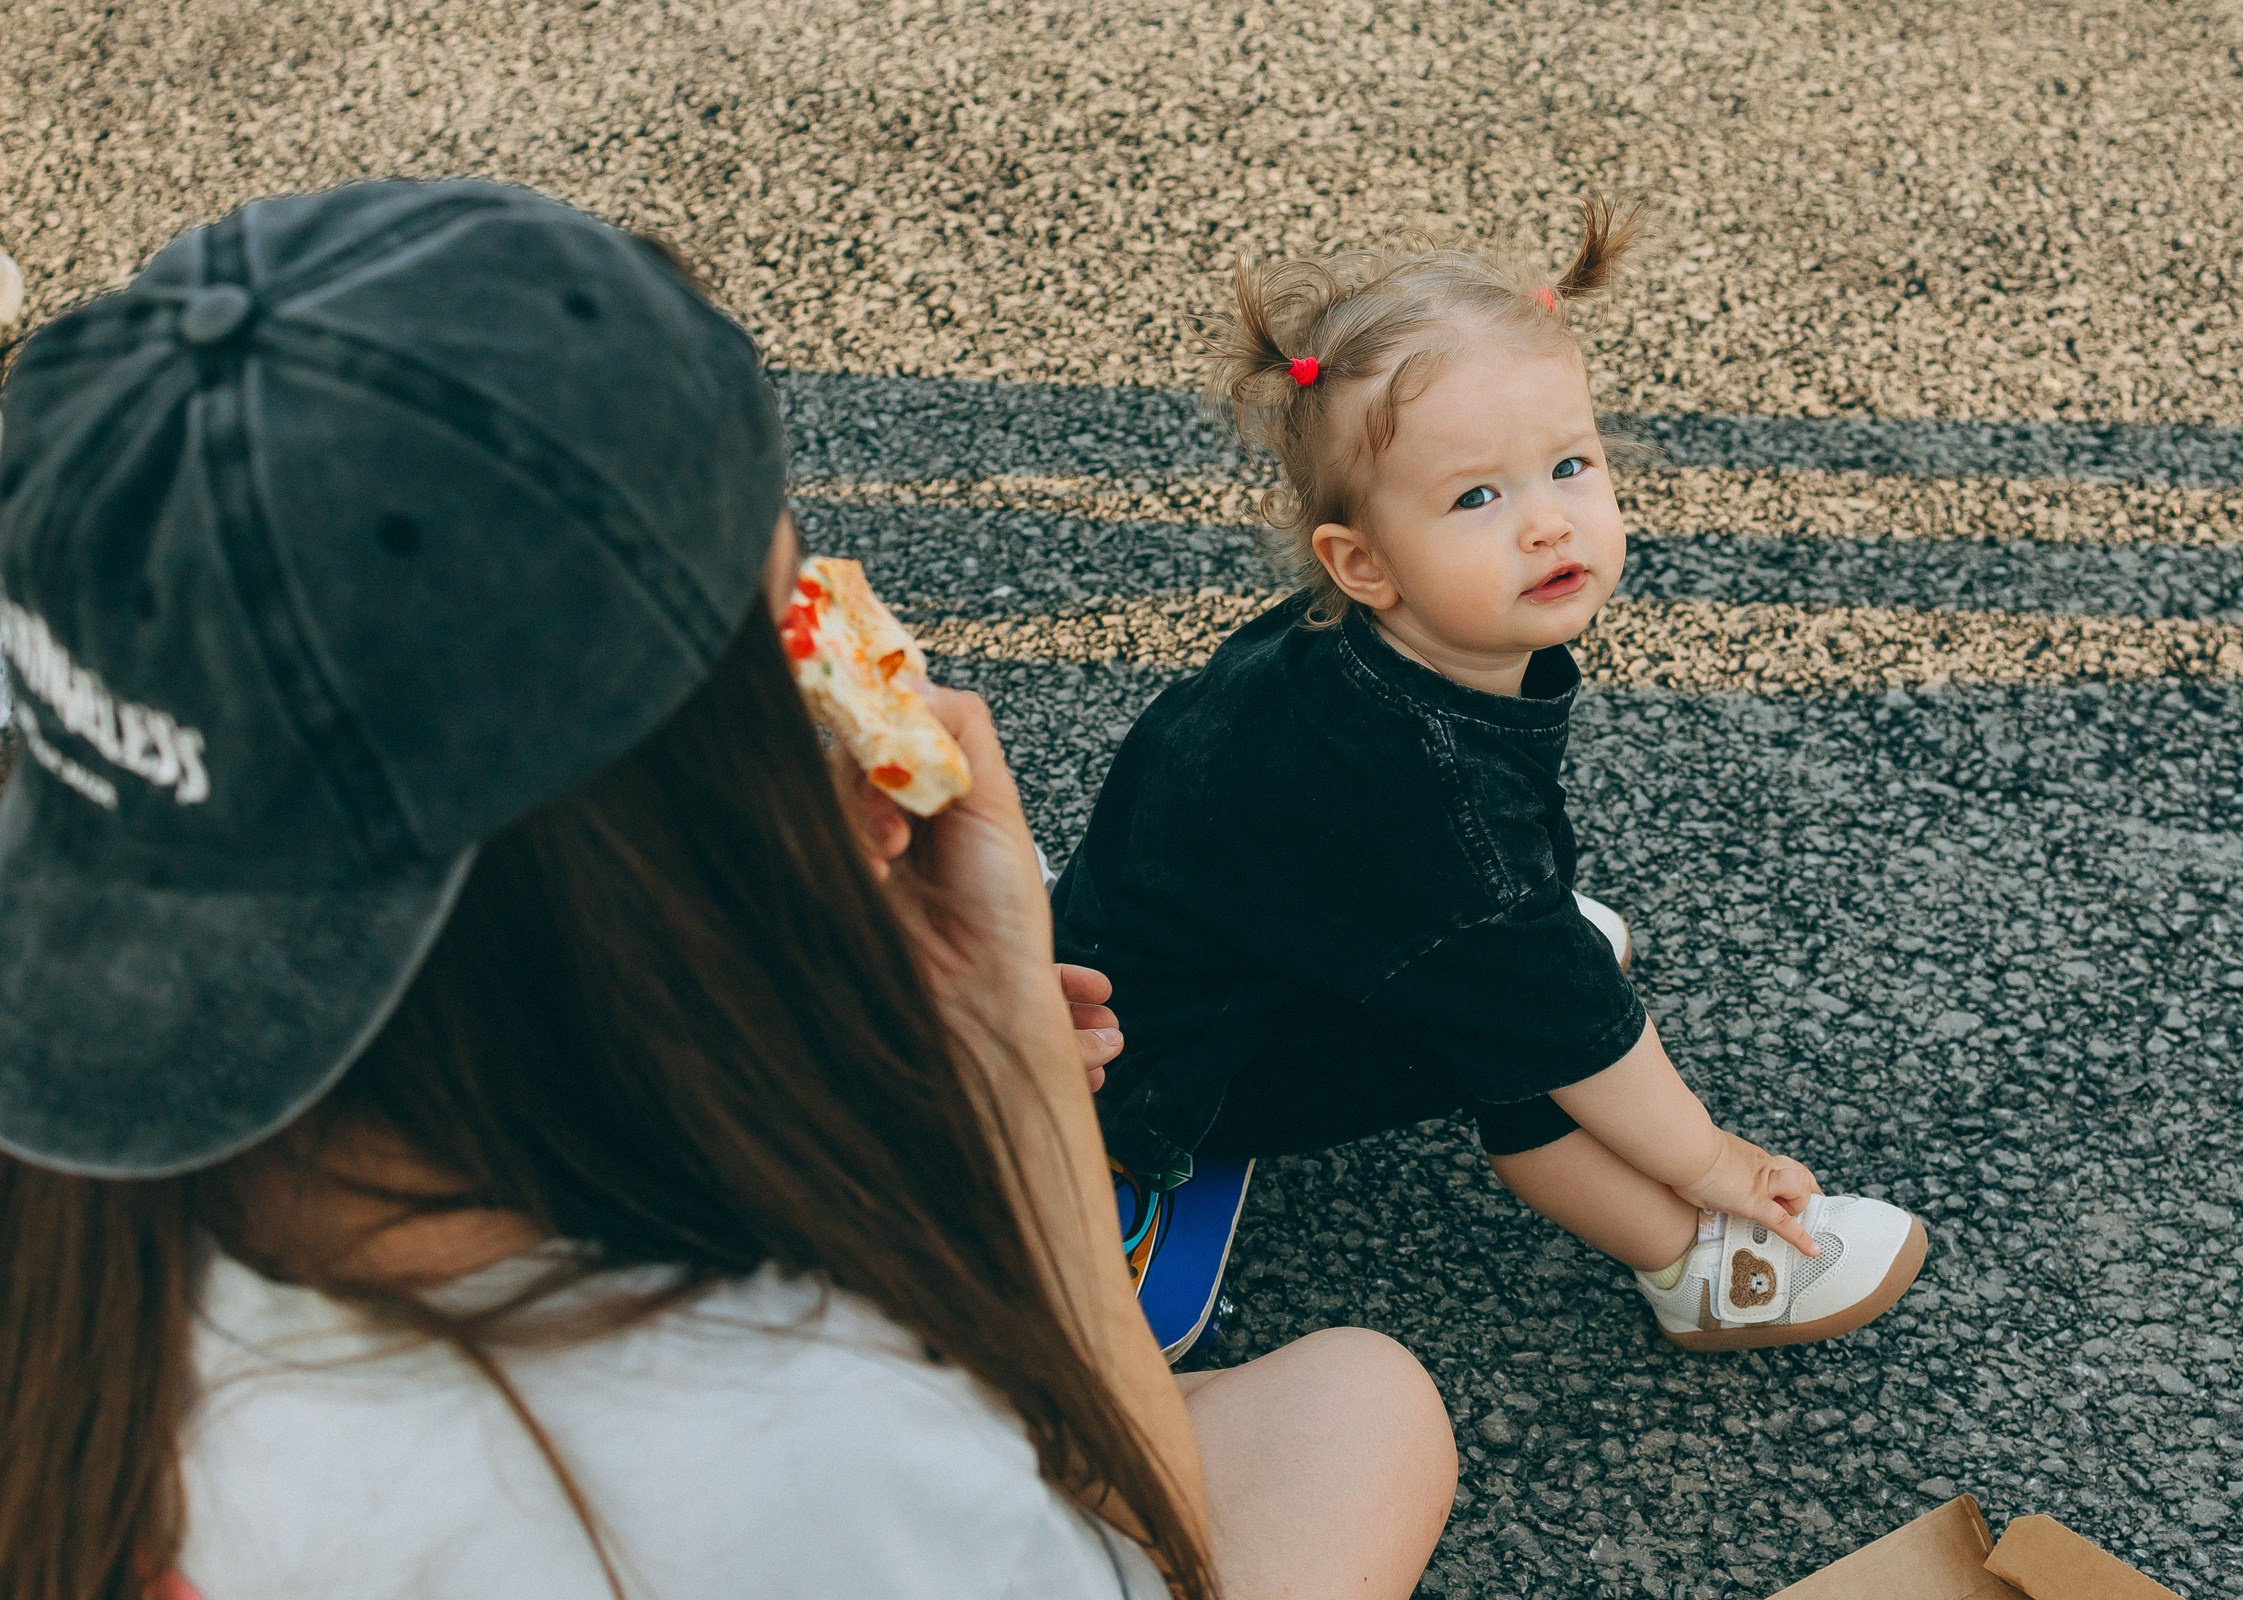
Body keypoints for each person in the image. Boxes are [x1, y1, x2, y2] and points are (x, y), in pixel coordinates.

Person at [0, 180, 1456, 1600]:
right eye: (791, 631)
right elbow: (1147, 1520)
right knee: (1362, 1412)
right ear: (665, 813)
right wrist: (1015, 1085)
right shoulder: (796, 1440)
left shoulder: (105, 1257)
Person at [1051, 202, 1929, 1352]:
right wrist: (1716, 1160)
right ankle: (1691, 1263)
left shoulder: (1357, 663)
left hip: (1166, 959)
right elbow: (1566, 1021)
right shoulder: (1415, 785)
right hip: (1166, 1070)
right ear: (1361, 562)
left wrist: (1516, 929)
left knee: (1506, 952)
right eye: (1478, 496)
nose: (1546, 521)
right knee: (1515, 1032)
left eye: (1569, 465)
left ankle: (1509, 960)